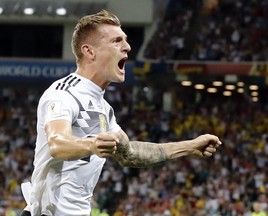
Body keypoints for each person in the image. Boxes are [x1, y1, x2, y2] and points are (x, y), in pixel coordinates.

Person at [20, 9, 222, 216]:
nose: (127, 47)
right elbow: (57, 143)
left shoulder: (104, 109)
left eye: (125, 40)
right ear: (89, 51)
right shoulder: (64, 93)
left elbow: (130, 154)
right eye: (116, 41)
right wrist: (92, 144)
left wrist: (189, 146)